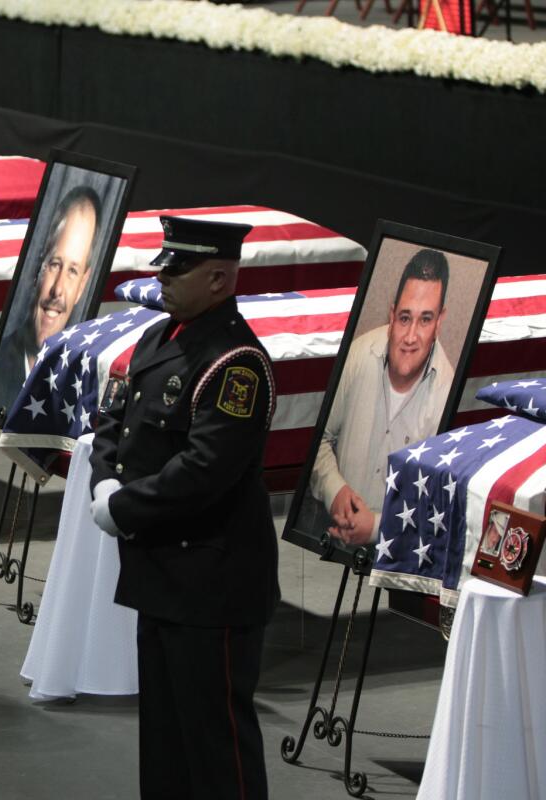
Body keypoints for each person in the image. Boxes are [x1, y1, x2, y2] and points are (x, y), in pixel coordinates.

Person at [88, 216, 278, 799]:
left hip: (211, 581)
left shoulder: (235, 364)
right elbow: (112, 421)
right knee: (167, 740)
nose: (163, 277)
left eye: (178, 268)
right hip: (163, 571)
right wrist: (104, 482)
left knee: (216, 746)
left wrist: (124, 507)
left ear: (220, 278)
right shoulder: (162, 336)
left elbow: (203, 472)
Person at [311, 248, 454, 546]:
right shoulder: (359, 354)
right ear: (391, 314)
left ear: (440, 322)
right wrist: (335, 489)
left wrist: (376, 527)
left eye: (425, 320)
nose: (411, 336)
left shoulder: (447, 391)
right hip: (332, 546)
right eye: (405, 318)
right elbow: (320, 437)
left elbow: (439, 499)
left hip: (405, 556)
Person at [0, 185, 101, 416]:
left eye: (72, 271)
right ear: (39, 266)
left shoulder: (82, 378)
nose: (57, 289)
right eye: (55, 264)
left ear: (83, 285)